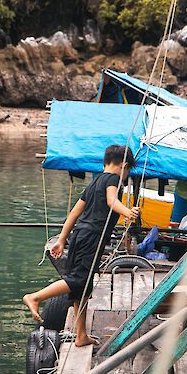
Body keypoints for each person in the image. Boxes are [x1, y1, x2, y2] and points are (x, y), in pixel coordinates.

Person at [23, 145, 139, 346]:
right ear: (124, 166)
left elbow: (74, 214)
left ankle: (81, 335)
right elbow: (112, 201)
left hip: (79, 235)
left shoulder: (94, 184)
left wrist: (61, 239)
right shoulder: (112, 179)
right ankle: (35, 297)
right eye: (127, 171)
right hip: (92, 237)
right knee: (77, 280)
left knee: (83, 289)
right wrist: (127, 212)